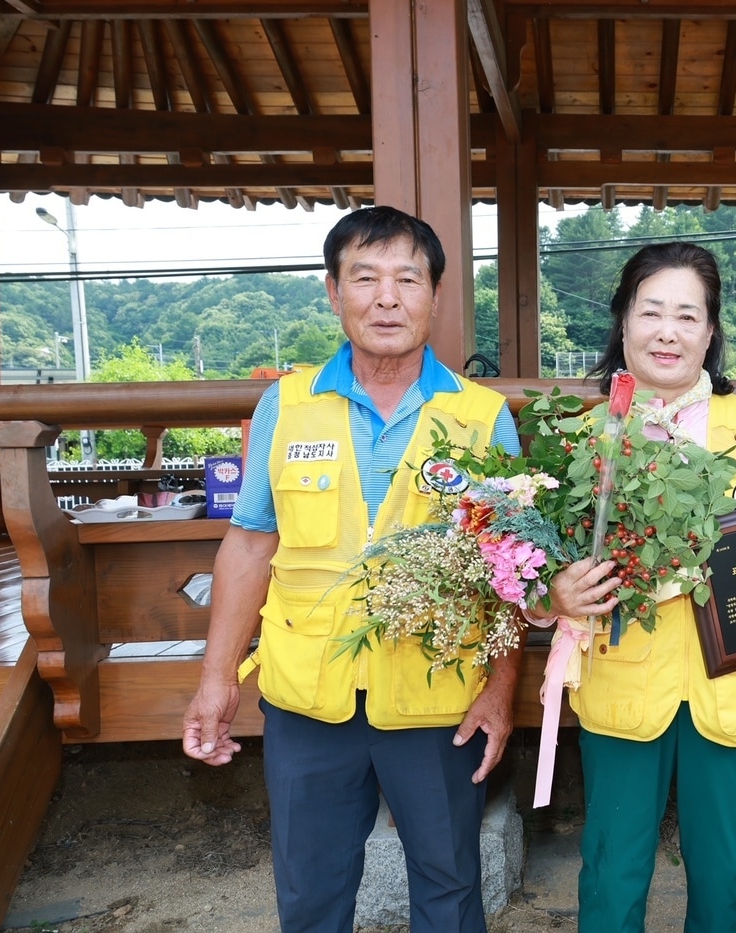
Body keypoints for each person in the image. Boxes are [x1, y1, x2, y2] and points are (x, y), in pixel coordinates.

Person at [181, 206, 522, 933]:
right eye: (365, 277)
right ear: (333, 292)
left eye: (408, 277)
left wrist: (500, 688)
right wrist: (216, 680)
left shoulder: (482, 415)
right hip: (309, 698)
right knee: (311, 892)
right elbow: (248, 545)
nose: (387, 297)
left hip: (436, 696)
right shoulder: (288, 404)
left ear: (436, 295)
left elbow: (509, 569)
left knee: (451, 886)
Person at [541, 242, 736, 932]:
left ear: (711, 333)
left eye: (688, 314)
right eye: (651, 311)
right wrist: (556, 593)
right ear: (623, 323)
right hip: (621, 683)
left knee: (724, 873)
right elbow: (539, 562)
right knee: (612, 874)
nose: (668, 331)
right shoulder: (585, 435)